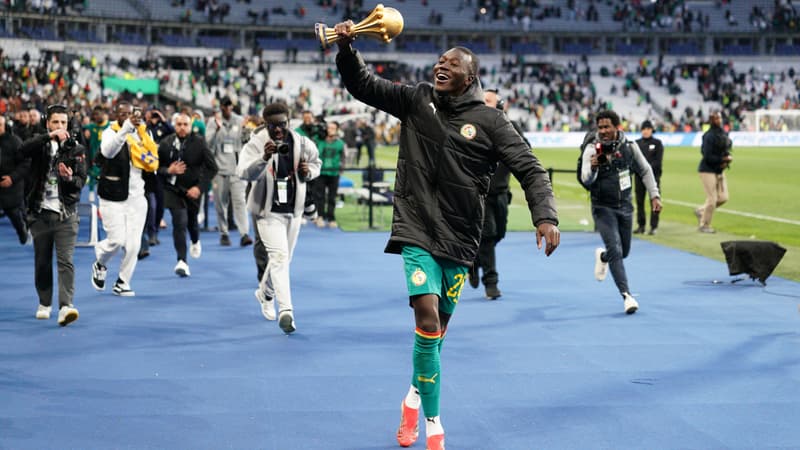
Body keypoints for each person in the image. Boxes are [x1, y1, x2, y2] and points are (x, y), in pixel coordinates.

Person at [334, 23, 561, 450]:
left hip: (460, 237)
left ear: (469, 77)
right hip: (416, 227)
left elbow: (530, 169)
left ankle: (413, 397)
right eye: (440, 60)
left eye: (452, 63)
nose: (442, 65)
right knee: (426, 320)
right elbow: (362, 84)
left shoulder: (491, 121)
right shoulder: (416, 99)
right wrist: (347, 47)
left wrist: (545, 216)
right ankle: (434, 425)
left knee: (436, 339)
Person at [237, 102, 321, 334]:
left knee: (284, 259)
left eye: (282, 125)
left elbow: (317, 163)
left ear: (289, 122)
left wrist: (309, 172)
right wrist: (263, 158)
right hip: (267, 212)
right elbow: (243, 173)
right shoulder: (255, 143)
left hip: (293, 211)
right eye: (272, 125)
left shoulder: (302, 142)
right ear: (265, 124)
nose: (277, 130)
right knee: (279, 257)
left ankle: (264, 293)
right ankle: (287, 311)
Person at [579, 110, 662, 315]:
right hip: (602, 207)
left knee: (623, 252)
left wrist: (654, 195)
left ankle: (604, 257)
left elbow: (645, 170)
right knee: (616, 248)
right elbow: (586, 179)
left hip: (625, 206)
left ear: (617, 127)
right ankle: (626, 295)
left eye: (607, 127)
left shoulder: (630, 147)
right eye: (600, 127)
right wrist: (594, 167)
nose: (603, 131)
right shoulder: (592, 149)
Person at [19, 104, 86, 326]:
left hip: (66, 213)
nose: (60, 126)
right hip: (39, 213)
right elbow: (22, 150)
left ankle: (66, 306)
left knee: (66, 261)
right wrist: (48, 137)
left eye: (63, 123)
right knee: (42, 261)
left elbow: (81, 181)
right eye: (55, 122)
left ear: (69, 124)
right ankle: (44, 302)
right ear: (48, 123)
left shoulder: (75, 148)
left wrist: (68, 179)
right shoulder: (39, 143)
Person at [90, 102, 157, 297]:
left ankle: (122, 282)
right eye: (123, 114)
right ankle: (101, 261)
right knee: (116, 241)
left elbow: (151, 159)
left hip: (137, 197)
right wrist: (126, 129)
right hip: (112, 196)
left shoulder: (145, 133)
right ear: (116, 115)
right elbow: (108, 152)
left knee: (134, 244)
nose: (128, 117)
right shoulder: (110, 132)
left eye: (131, 114)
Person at [468, 89, 529, 300]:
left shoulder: (510, 127)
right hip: (478, 194)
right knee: (488, 234)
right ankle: (491, 283)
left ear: (500, 105)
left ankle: (474, 259)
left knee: (498, 234)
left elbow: (525, 152)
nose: (482, 103)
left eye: (488, 100)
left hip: (501, 192)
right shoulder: (471, 127)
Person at [158, 112, 218, 277]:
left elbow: (212, 168)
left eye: (185, 124)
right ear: (174, 125)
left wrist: (199, 188)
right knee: (179, 222)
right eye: (179, 124)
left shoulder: (199, 142)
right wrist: (168, 170)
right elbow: (156, 168)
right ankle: (182, 261)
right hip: (172, 190)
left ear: (191, 126)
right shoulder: (165, 144)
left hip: (192, 191)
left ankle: (195, 240)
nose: (182, 128)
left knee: (192, 223)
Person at [207, 96, 252, 247]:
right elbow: (207, 145)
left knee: (240, 202)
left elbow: (247, 142)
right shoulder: (213, 122)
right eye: (225, 106)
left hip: (236, 169)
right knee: (221, 203)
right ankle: (224, 233)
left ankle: (244, 233)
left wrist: (246, 130)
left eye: (230, 106)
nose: (228, 108)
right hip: (219, 170)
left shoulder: (240, 121)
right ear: (221, 107)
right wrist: (217, 130)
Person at [695, 112, 732, 233]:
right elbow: (707, 156)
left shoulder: (723, 133)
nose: (719, 120)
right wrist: (722, 160)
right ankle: (704, 225)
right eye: (716, 118)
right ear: (711, 120)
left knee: (723, 197)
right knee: (712, 199)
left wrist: (727, 157)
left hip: (719, 170)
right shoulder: (708, 136)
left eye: (720, 117)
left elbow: (726, 149)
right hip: (707, 170)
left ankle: (701, 211)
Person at [0, 115, 30, 244]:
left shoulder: (15, 141)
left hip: (11, 186)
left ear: (4, 126)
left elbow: (25, 163)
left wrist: (12, 178)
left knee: (14, 214)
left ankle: (22, 232)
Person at [633, 120, 664, 235]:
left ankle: (653, 226)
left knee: (655, 202)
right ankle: (641, 225)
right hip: (639, 177)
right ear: (641, 130)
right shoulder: (636, 144)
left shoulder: (657, 143)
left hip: (654, 178)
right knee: (639, 202)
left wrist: (646, 169)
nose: (646, 131)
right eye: (644, 129)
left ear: (652, 130)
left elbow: (658, 162)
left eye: (648, 129)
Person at [312, 120, 344, 228]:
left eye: (333, 128)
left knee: (332, 197)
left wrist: (341, 171)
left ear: (337, 130)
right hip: (321, 173)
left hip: (334, 173)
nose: (330, 130)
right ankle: (320, 216)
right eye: (328, 127)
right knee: (320, 196)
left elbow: (343, 158)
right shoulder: (319, 140)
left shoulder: (340, 143)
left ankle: (331, 218)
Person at [81, 105, 110, 202]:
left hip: (106, 156)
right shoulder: (92, 126)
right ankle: (91, 191)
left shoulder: (109, 126)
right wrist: (85, 131)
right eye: (95, 115)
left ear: (103, 114)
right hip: (94, 156)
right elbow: (80, 128)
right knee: (93, 175)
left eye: (98, 114)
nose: (97, 116)